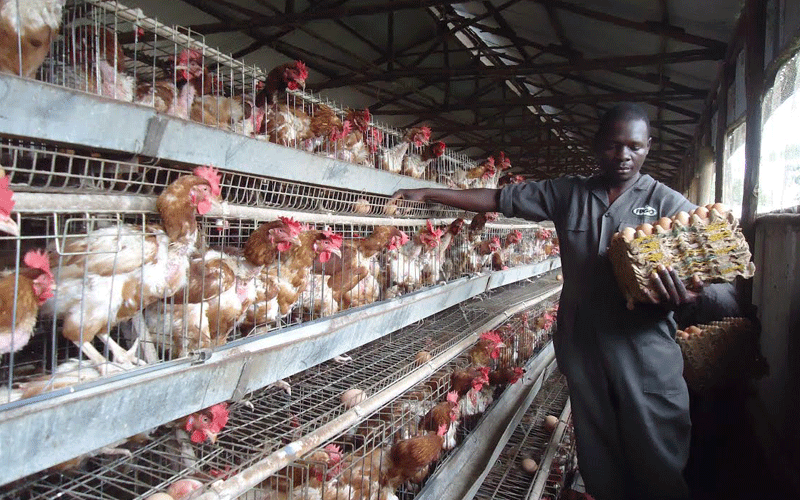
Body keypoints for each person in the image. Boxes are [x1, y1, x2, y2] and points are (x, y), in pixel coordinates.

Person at [391, 103, 701, 500]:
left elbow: (710, 271)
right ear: (596, 146)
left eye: (635, 147)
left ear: (648, 148)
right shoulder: (568, 193)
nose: (623, 156)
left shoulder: (668, 204)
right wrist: (428, 192)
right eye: (612, 145)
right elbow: (498, 198)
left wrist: (691, 292)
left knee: (657, 449)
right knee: (598, 450)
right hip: (584, 346)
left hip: (643, 350)